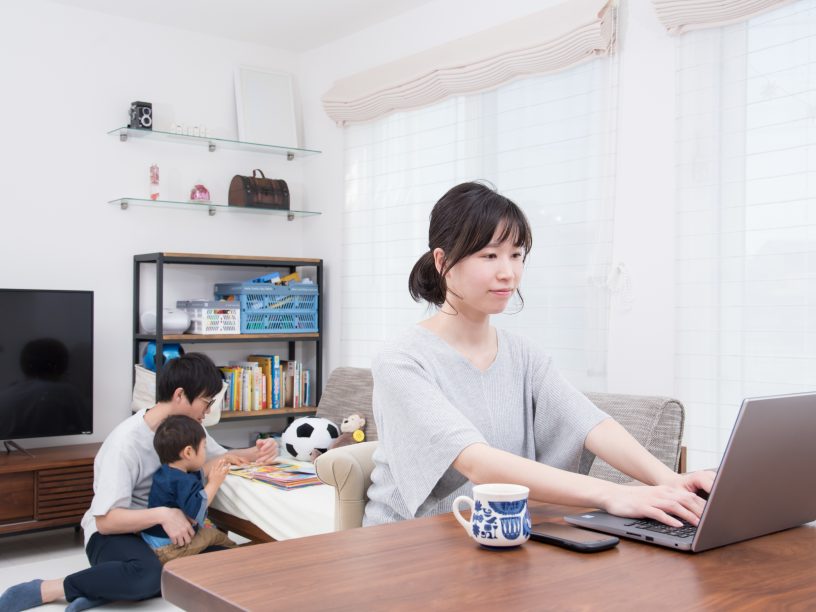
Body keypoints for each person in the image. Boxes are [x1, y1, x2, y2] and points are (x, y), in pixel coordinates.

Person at [363, 181, 714, 528]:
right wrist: (614, 493)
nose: (508, 273)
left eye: (516, 255)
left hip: (499, 536)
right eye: (489, 255)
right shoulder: (401, 360)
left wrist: (669, 479)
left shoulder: (524, 356)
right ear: (443, 261)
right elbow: (477, 463)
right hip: (409, 542)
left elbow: (590, 423)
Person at [0, 352, 278, 612]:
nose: (207, 412)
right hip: (116, 535)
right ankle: (51, 589)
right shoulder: (126, 442)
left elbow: (222, 457)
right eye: (206, 402)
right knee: (147, 574)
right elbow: (106, 521)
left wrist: (257, 452)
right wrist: (164, 514)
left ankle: (102, 589)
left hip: (164, 537)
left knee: (228, 564)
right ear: (180, 395)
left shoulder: (190, 429)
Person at [141, 415, 235, 564]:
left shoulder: (167, 472)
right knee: (221, 538)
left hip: (151, 540)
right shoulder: (183, 480)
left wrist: (227, 458)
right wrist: (214, 483)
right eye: (204, 447)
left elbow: (198, 474)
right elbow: (196, 512)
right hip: (171, 548)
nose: (205, 452)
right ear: (189, 452)